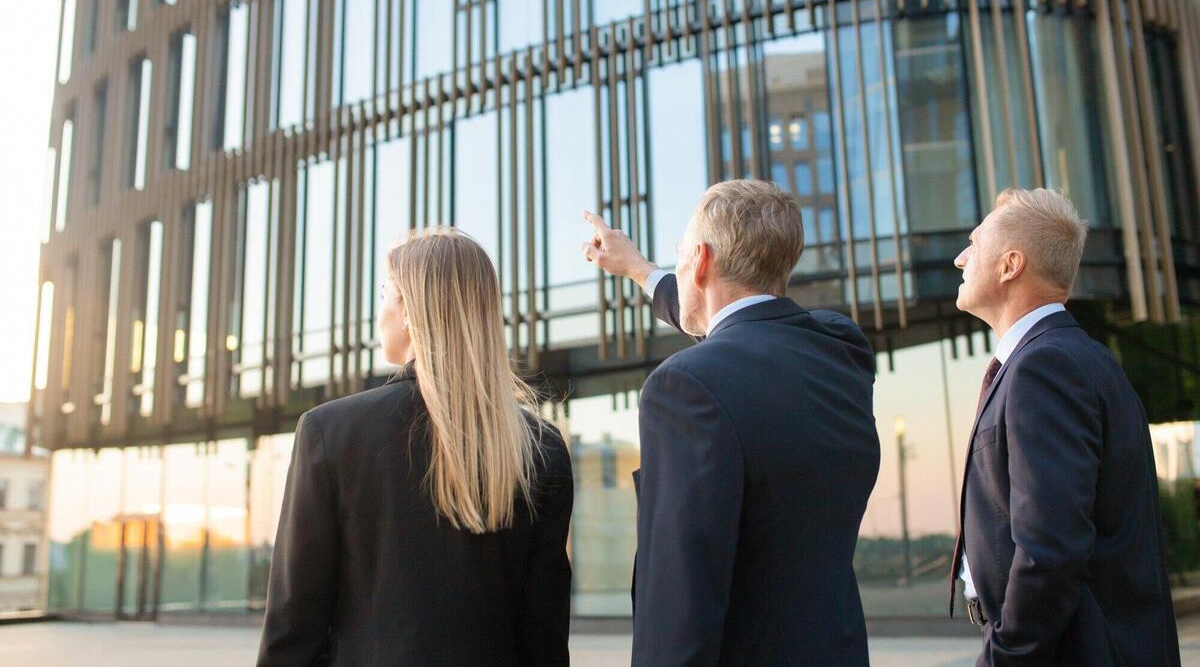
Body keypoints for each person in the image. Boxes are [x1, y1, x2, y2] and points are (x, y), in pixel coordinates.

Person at [583, 179, 880, 666]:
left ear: (699, 261)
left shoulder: (684, 387)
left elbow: (678, 603)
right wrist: (640, 270)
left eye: (680, 254)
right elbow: (742, 332)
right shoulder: (842, 351)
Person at [257, 228, 573, 666]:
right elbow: (544, 637)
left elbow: (293, 629)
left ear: (409, 310)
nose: (379, 311)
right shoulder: (541, 447)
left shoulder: (330, 432)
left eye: (386, 294)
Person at [950, 188, 1180, 666]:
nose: (959, 259)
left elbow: (1049, 550)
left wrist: (1004, 657)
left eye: (974, 243)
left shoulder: (1046, 366)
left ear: (1010, 265)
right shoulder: (1075, 358)